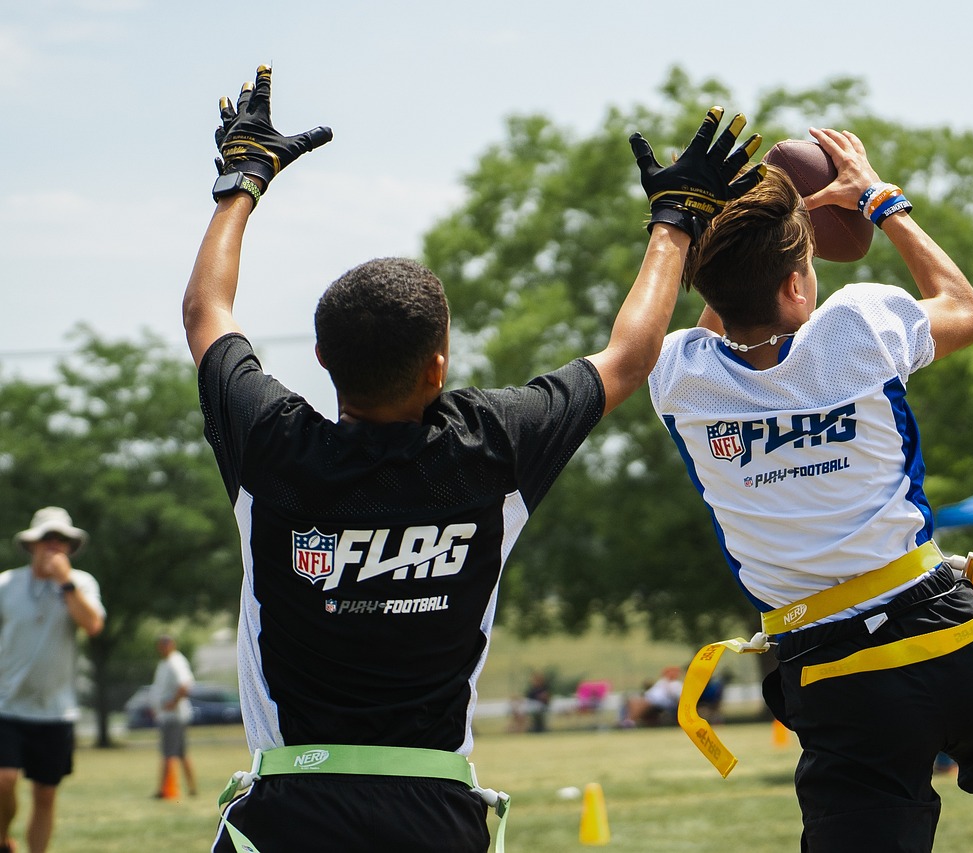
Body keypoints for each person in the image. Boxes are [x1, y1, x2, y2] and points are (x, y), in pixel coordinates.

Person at [182, 65, 763, 852]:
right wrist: (675, 219)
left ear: (320, 356)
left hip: (287, 814)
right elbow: (629, 357)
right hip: (435, 816)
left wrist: (243, 176)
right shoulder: (492, 444)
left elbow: (205, 313)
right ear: (439, 364)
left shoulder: (272, 443)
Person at [648, 128, 973, 851]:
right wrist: (879, 200)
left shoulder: (679, 375)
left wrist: (726, 227)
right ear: (800, 283)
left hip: (833, 664)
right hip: (941, 621)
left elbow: (720, 316)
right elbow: (966, 308)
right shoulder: (859, 326)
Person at [0, 507, 105, 853]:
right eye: (47, 539)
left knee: (45, 793)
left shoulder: (82, 583)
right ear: (32, 545)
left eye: (62, 540)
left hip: (56, 710)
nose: (54, 546)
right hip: (7, 703)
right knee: (4, 780)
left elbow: (91, 625)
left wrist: (66, 582)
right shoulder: (6, 584)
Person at [150, 634, 197, 797]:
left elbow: (185, 685)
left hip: (173, 717)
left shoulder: (175, 662)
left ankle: (164, 790)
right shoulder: (166, 662)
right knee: (181, 754)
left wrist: (173, 703)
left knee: (168, 754)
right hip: (169, 716)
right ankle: (192, 789)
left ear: (171, 645)